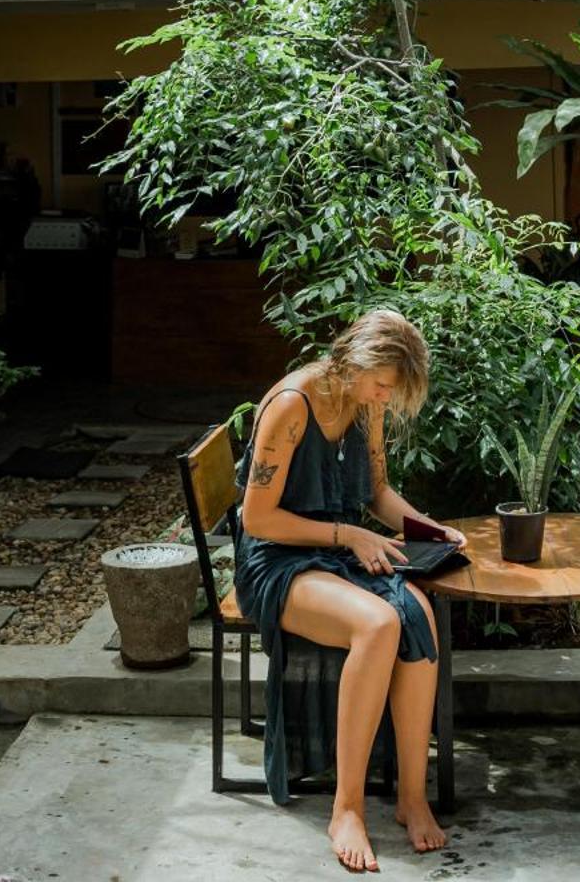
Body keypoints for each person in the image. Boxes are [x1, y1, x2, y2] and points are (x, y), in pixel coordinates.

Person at [236, 309, 466, 873]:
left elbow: (380, 494)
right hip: (277, 562)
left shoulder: (366, 405)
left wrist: (429, 530)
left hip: (339, 549)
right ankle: (347, 809)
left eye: (392, 392)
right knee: (379, 623)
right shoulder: (293, 405)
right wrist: (348, 534)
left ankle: (412, 798)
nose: (384, 399)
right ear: (355, 362)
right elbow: (257, 518)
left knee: (418, 618)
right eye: (382, 385)